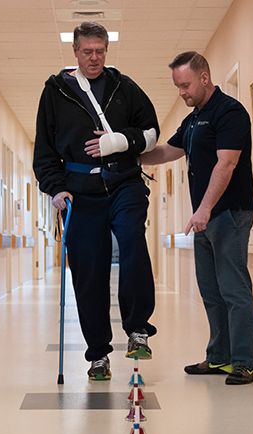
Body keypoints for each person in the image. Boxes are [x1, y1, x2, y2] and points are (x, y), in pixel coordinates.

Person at [33, 21, 160, 381]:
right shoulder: (56, 92)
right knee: (89, 273)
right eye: (87, 51)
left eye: (100, 51)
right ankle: (98, 354)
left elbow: (151, 133)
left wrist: (119, 141)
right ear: (74, 51)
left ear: (107, 50)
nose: (94, 58)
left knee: (133, 238)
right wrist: (55, 188)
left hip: (124, 181)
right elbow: (44, 149)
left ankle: (138, 328)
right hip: (79, 191)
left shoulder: (124, 87)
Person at [142, 52, 253, 385]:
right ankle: (219, 357)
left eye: (186, 85)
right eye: (178, 87)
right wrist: (131, 154)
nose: (182, 92)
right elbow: (168, 151)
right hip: (205, 217)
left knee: (234, 289)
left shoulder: (230, 112)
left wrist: (204, 209)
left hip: (228, 212)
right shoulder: (193, 120)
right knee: (210, 289)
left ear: (204, 77)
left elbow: (227, 164)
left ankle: (243, 362)